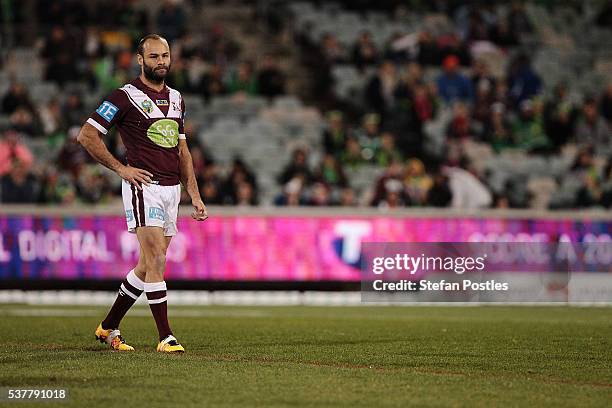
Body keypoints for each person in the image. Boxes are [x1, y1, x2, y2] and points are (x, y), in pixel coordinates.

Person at [77, 34, 207, 353]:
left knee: (146, 266)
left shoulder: (177, 98)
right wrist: (121, 169)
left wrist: (194, 193)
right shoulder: (124, 97)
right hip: (143, 187)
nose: (161, 61)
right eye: (154, 57)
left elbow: (182, 151)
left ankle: (108, 327)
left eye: (165, 55)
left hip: (171, 190)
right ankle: (166, 337)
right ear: (140, 60)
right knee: (157, 259)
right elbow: (87, 135)